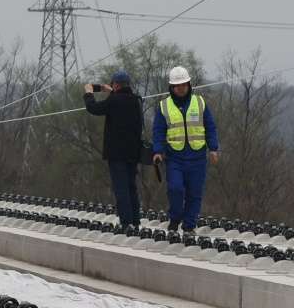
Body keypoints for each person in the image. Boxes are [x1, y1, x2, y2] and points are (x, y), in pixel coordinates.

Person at [151, 66, 220, 236]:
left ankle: (189, 226)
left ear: (189, 84)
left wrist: (213, 148)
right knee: (175, 189)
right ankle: (175, 218)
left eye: (183, 84)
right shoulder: (164, 106)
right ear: (172, 87)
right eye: (177, 85)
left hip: (197, 157)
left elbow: (210, 126)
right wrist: (158, 151)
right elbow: (158, 131)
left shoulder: (200, 102)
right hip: (175, 157)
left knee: (194, 193)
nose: (180, 88)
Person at [82, 72, 145, 231]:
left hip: (117, 154)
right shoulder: (136, 100)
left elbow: (93, 108)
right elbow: (122, 101)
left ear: (116, 85)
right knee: (131, 187)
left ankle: (126, 223)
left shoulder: (114, 101)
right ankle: (135, 222)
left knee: (121, 188)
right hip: (133, 153)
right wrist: (110, 92)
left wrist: (89, 93)